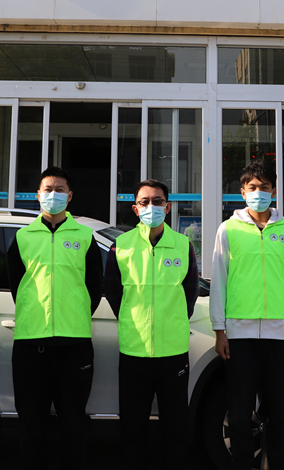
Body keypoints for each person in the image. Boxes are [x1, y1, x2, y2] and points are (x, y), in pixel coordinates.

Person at [210, 159, 284, 470]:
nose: (258, 193)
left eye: (264, 188)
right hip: (239, 335)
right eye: (252, 188)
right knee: (239, 412)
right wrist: (219, 330)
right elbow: (219, 280)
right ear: (242, 192)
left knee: (281, 411)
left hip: (281, 335)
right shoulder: (228, 229)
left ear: (274, 192)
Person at [7, 166, 103, 470]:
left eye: (59, 190)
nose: (53, 194)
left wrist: (70, 314)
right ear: (37, 195)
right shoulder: (23, 236)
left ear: (70, 196)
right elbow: (16, 285)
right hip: (30, 343)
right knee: (31, 424)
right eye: (47, 189)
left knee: (73, 424)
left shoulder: (85, 236)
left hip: (74, 343)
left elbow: (94, 288)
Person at [104, 179, 199, 470]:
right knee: (132, 429)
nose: (151, 207)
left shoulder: (183, 245)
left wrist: (172, 321)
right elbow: (113, 292)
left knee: (175, 427)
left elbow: (190, 292)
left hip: (173, 352)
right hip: (134, 351)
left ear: (167, 207)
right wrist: (133, 320)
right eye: (144, 202)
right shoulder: (121, 245)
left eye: (157, 201)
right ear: (135, 209)